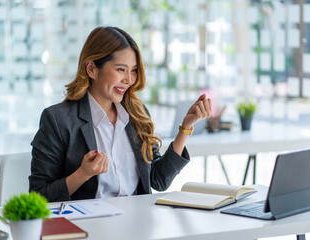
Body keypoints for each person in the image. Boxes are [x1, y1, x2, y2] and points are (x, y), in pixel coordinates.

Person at [29, 26, 211, 202]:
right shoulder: (58, 120)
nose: (129, 80)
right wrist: (82, 174)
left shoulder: (137, 114)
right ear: (91, 68)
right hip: (88, 227)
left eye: (133, 71)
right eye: (121, 69)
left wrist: (186, 127)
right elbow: (38, 196)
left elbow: (158, 180)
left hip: (137, 224)